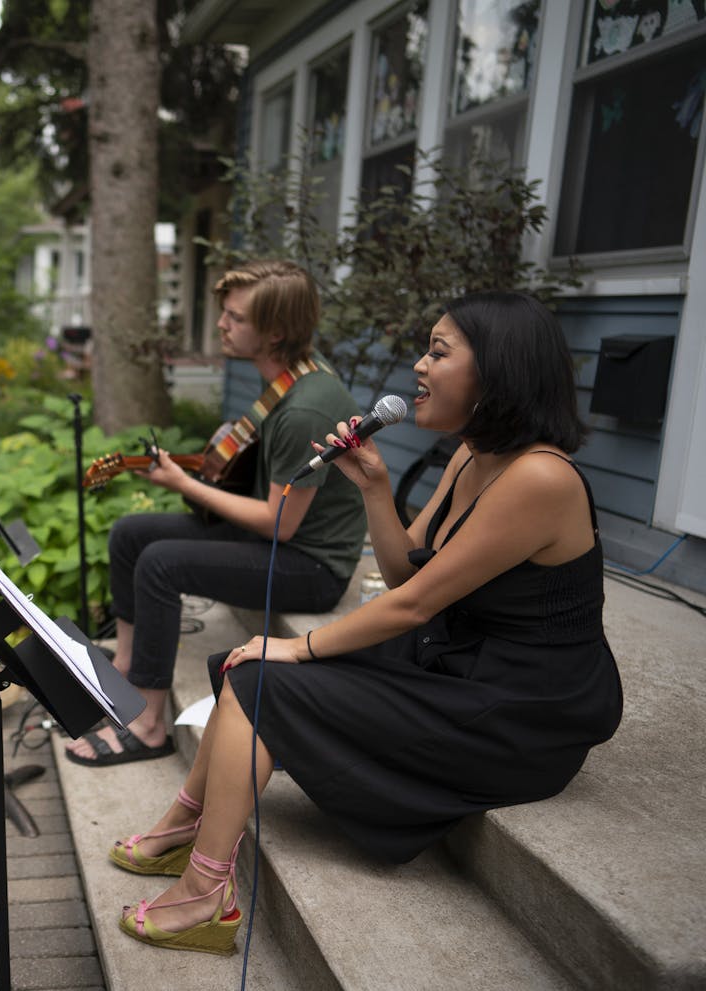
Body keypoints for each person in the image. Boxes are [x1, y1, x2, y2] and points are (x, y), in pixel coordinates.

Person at [109, 291, 622, 957]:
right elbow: (409, 573)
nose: (418, 366)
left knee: (265, 680)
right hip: (459, 660)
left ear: (498, 370)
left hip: (520, 710)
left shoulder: (541, 478)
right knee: (249, 669)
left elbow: (411, 606)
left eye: (438, 352)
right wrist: (375, 487)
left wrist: (302, 645)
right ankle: (188, 824)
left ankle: (207, 890)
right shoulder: (472, 455)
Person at [66, 260, 366, 767]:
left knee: (161, 563)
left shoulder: (303, 409)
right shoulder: (290, 380)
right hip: (280, 541)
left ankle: (150, 724)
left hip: (311, 565)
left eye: (235, 317)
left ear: (275, 332)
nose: (222, 324)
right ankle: (122, 669)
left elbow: (280, 522)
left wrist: (185, 485)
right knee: (129, 534)